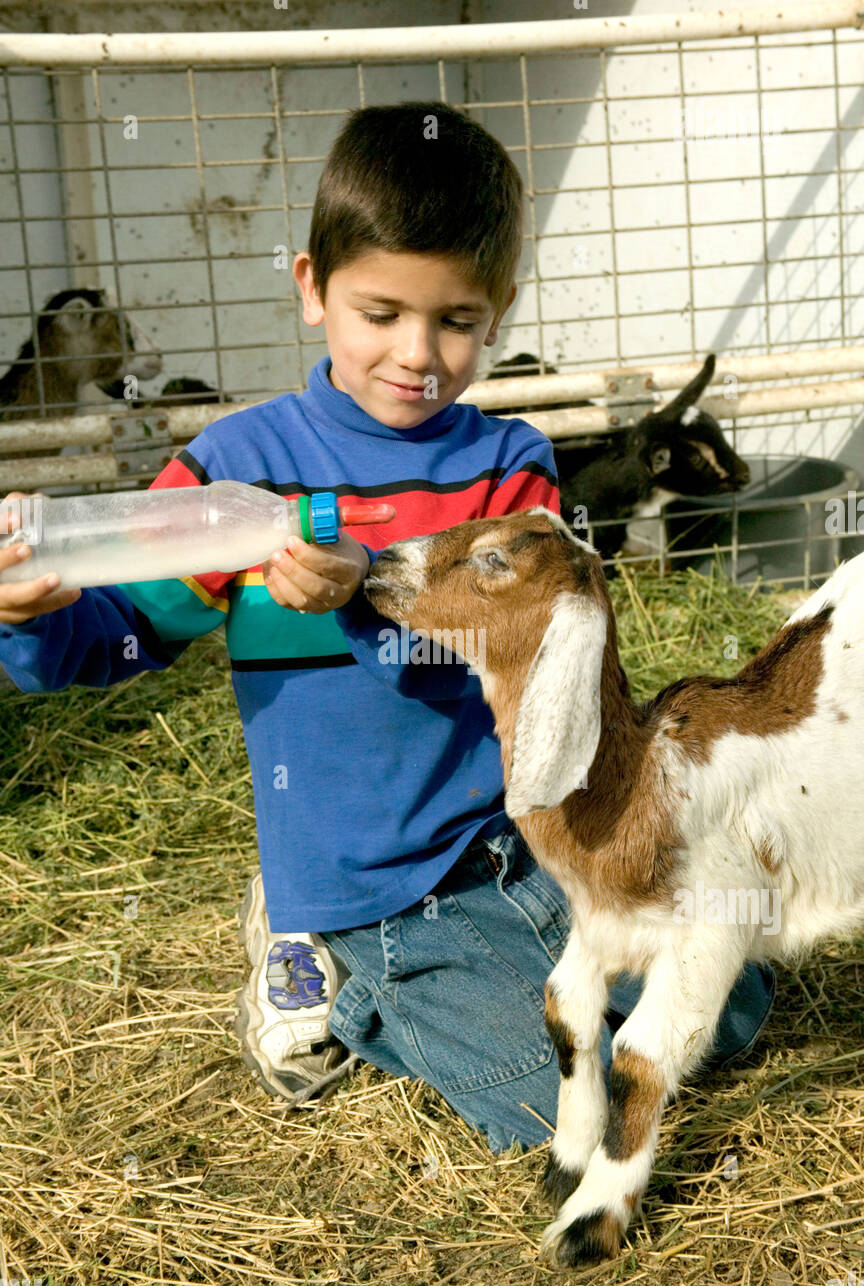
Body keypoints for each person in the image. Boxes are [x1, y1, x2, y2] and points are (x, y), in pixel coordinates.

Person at [0, 102, 775, 1156]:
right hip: (380, 877)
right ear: (312, 287)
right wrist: (30, 620)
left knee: (729, 1014)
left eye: (456, 319)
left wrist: (366, 594)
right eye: (380, 312)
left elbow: (532, 664)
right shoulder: (239, 470)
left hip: (515, 838)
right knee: (554, 1104)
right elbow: (117, 641)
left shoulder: (510, 466)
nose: (417, 354)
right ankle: (326, 959)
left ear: (498, 311)